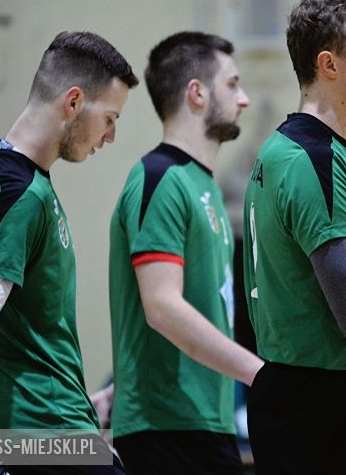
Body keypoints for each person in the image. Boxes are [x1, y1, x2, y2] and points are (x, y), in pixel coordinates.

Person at [0, 31, 139, 474]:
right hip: (42, 435)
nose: (111, 136)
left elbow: (22, 329)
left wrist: (87, 399)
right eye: (110, 118)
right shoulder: (20, 194)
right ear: (74, 101)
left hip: (40, 428)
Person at [242, 0, 346, 474]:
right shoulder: (317, 162)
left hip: (293, 402)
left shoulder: (279, 150)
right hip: (324, 413)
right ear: (329, 65)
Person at [108, 31, 264, 475]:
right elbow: (162, 307)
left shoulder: (205, 187)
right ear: (196, 93)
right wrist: (260, 373)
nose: (245, 99)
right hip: (166, 429)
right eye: (232, 84)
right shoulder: (160, 178)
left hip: (202, 422)